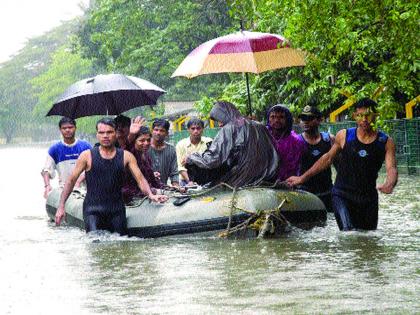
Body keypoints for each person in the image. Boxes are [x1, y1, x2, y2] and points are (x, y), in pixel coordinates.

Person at [286, 98, 398, 231]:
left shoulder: (385, 141)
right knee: (348, 233)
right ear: (354, 116)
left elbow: (391, 168)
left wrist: (389, 184)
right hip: (342, 195)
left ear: (376, 115)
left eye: (368, 115)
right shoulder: (344, 135)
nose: (364, 119)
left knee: (368, 237)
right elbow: (327, 159)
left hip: (368, 198)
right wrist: (301, 178)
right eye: (360, 115)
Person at [55, 118, 168, 235]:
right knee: (94, 244)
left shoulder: (126, 156)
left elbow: (140, 179)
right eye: (102, 132)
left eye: (109, 132)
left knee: (120, 244)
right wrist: (61, 206)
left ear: (115, 133)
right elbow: (71, 180)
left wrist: (151, 195)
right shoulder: (87, 156)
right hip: (93, 211)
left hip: (117, 211)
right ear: (97, 134)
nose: (105, 136)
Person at [184, 101, 279, 187]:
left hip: (241, 178)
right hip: (266, 178)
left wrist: (192, 158)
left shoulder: (230, 128)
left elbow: (213, 158)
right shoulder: (260, 126)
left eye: (220, 120)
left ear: (225, 115)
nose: (220, 124)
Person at [41, 117, 91, 198]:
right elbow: (46, 170)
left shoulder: (85, 146)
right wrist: (47, 186)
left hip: (84, 188)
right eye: (64, 128)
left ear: (75, 128)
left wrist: (78, 181)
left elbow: (93, 166)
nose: (67, 130)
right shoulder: (55, 149)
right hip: (63, 188)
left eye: (70, 127)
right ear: (60, 130)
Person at [298, 105, 335, 212]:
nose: (305, 122)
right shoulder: (297, 142)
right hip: (305, 194)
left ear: (319, 120)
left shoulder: (329, 139)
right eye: (303, 118)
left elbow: (340, 167)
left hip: (327, 192)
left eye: (309, 118)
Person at [122, 126, 163, 202]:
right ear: (134, 141)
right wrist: (131, 134)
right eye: (142, 140)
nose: (146, 143)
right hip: (131, 198)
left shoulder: (146, 156)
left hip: (146, 195)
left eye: (148, 140)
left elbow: (152, 180)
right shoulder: (129, 154)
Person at [266, 104, 306, 181]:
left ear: (287, 119)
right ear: (268, 119)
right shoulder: (262, 136)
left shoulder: (296, 141)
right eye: (273, 117)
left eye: (281, 117)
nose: (276, 120)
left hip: (288, 183)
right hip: (266, 182)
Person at [176, 118, 212, 186]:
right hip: (186, 180)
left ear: (203, 129)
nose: (196, 131)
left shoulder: (209, 142)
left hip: (206, 179)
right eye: (193, 128)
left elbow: (212, 162)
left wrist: (192, 158)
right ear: (188, 130)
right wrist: (189, 181)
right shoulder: (181, 145)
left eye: (198, 128)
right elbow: (180, 167)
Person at [148, 118, 181, 189]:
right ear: (152, 131)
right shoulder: (144, 147)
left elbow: (174, 172)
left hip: (163, 189)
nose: (158, 133)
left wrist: (176, 187)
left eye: (162, 130)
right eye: (156, 130)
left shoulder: (171, 149)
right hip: (144, 188)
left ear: (167, 133)